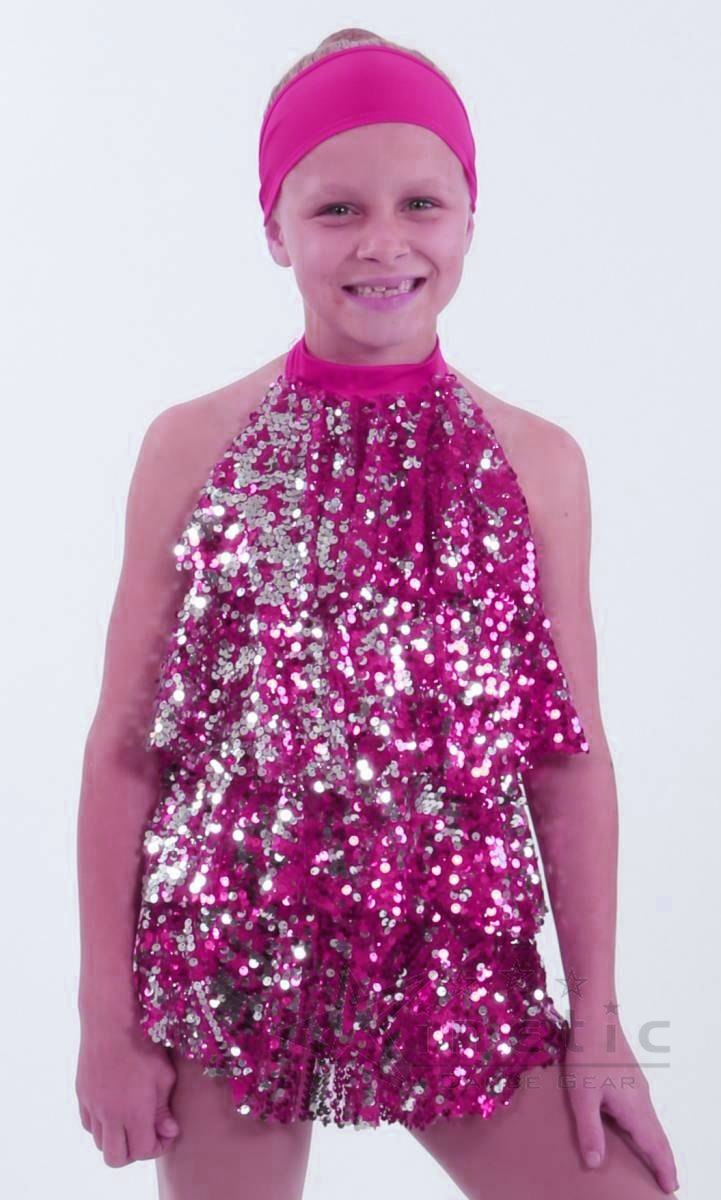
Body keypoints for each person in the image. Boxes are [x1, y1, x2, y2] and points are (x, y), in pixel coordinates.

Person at [75, 26, 680, 1200]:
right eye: (337, 210)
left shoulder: (538, 462)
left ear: (468, 218)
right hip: (233, 951)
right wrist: (110, 1021)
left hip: (451, 958)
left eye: (421, 203)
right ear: (276, 228)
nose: (384, 242)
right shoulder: (192, 446)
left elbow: (567, 757)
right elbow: (124, 749)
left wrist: (599, 1025)